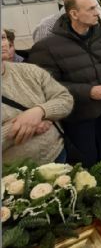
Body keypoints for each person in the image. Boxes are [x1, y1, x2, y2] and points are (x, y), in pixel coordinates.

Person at [28, 0, 101, 190]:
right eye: (91, 9)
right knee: (86, 151)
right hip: (79, 110)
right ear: (74, 13)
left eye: (96, 7)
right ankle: (91, 188)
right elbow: (48, 84)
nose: (97, 12)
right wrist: (87, 92)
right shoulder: (48, 46)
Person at [1, 29, 74, 165]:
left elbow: (65, 99)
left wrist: (40, 111)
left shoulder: (30, 70)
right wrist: (19, 128)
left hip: (57, 154)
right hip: (13, 172)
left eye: (3, 37)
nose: (2, 44)